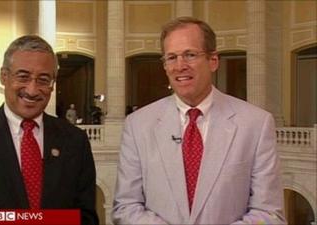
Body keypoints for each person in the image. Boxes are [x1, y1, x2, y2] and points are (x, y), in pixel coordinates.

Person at [112, 17, 286, 224]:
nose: (180, 66)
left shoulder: (256, 124)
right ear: (165, 66)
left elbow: (269, 214)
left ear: (213, 61)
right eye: (171, 58)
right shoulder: (138, 125)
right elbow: (125, 207)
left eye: (190, 55)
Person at [0, 35, 99, 225]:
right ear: (4, 76)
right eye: (23, 76)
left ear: (52, 84)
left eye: (43, 79)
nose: (32, 90)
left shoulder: (75, 140)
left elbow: (85, 218)